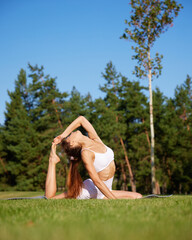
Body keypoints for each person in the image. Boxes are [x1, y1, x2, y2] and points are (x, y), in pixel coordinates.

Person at [45, 116, 142, 199]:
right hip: (92, 190)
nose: (71, 133)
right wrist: (114, 200)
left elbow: (81, 119)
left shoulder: (96, 140)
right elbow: (96, 181)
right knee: (51, 198)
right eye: (69, 136)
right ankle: (52, 161)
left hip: (106, 189)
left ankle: (105, 196)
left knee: (138, 196)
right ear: (72, 143)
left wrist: (62, 136)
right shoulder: (86, 153)